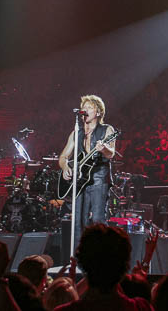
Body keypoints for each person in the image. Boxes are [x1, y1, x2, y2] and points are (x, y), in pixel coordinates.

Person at [58, 95, 116, 247]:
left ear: (98, 112)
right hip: (79, 181)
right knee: (78, 221)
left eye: (89, 107)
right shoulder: (76, 133)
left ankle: (100, 255)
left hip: (99, 178)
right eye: (84, 107)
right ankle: (78, 259)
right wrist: (65, 167)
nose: (85, 110)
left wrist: (104, 149)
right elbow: (63, 157)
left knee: (97, 219)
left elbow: (111, 153)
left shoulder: (107, 130)